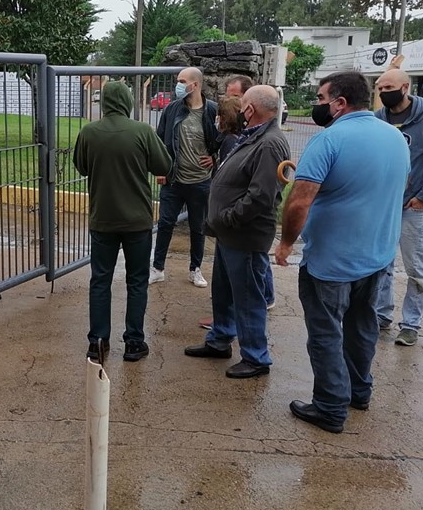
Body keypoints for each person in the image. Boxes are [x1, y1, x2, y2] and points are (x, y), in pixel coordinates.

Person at [276, 72, 409, 433]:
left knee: (325, 333)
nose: (318, 105)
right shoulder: (395, 138)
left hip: (332, 261)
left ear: (339, 103)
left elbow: (298, 201)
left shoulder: (329, 140)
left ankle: (330, 407)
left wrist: (286, 242)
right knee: (362, 326)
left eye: (321, 99)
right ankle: (358, 392)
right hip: (378, 255)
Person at [186, 86, 290, 379]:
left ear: (250, 109)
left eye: (243, 105)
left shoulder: (269, 144)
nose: (240, 110)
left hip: (244, 234)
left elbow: (261, 196)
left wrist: (229, 217)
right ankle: (220, 339)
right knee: (224, 292)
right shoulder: (255, 136)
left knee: (247, 298)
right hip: (230, 233)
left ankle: (256, 357)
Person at [73, 81, 173, 362]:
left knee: (100, 280)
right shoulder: (142, 131)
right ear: (128, 101)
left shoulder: (89, 132)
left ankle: (98, 341)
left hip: (103, 219)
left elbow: (81, 166)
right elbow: (164, 166)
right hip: (136, 221)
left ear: (104, 102)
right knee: (137, 280)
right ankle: (134, 342)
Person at [372, 69, 423, 346]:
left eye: (389, 87)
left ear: (405, 87)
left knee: (415, 269)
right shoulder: (378, 119)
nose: (384, 92)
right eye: (380, 88)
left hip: (413, 208)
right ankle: (381, 314)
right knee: (381, 264)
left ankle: (411, 324)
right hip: (384, 206)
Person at [150, 67, 221, 289]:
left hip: (201, 181)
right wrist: (160, 170)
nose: (178, 85)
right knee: (165, 224)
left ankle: (195, 269)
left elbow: (224, 139)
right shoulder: (172, 109)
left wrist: (215, 158)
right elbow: (160, 141)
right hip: (174, 180)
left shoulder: (212, 110)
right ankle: (158, 269)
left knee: (198, 228)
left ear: (195, 85)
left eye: (182, 81)